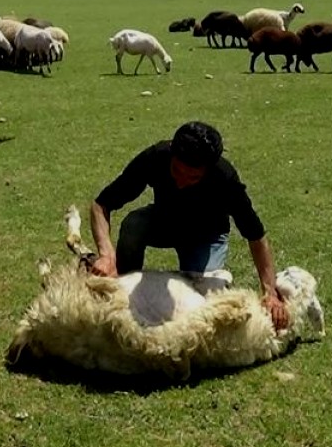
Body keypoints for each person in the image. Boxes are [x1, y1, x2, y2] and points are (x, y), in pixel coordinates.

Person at [89, 121, 289, 329]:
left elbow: (255, 236)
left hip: (206, 236)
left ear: (208, 170)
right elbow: (101, 205)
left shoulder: (224, 177)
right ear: (172, 155)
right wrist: (106, 254)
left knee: (201, 301)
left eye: (193, 177)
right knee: (134, 224)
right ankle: (121, 288)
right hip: (165, 222)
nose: (181, 182)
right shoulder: (156, 157)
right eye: (176, 171)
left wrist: (270, 291)